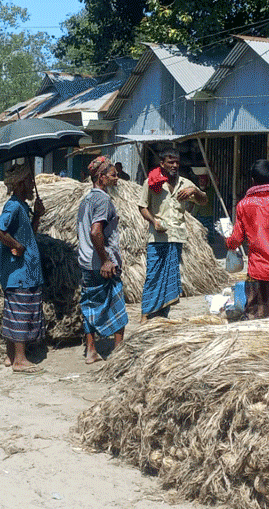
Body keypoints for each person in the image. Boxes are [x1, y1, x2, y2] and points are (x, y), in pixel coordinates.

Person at [137, 149, 206, 321]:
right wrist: (154, 221)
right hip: (157, 237)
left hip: (176, 237)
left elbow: (203, 200)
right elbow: (142, 206)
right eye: (170, 162)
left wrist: (195, 192)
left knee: (170, 278)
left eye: (177, 162)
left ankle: (162, 317)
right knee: (153, 276)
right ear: (162, 164)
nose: (175, 165)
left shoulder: (185, 184)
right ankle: (146, 314)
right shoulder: (152, 182)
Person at [0, 163, 46, 372]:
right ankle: (20, 361)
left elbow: (28, 234)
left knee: (14, 312)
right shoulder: (13, 206)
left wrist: (37, 216)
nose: (33, 185)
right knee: (21, 312)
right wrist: (16, 245)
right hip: (19, 272)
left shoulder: (22, 206)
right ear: (22, 183)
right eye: (30, 181)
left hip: (25, 270)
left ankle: (10, 356)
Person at [76, 156, 127, 363]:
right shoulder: (102, 200)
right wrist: (106, 260)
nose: (117, 179)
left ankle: (91, 351)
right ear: (101, 177)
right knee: (117, 305)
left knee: (90, 305)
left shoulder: (86, 200)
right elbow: (96, 232)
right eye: (113, 175)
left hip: (86, 262)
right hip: (101, 264)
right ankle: (118, 353)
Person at [226, 158, 269, 319]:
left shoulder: (244, 204)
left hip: (257, 271)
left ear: (253, 180)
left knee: (255, 315)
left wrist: (227, 242)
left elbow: (236, 239)